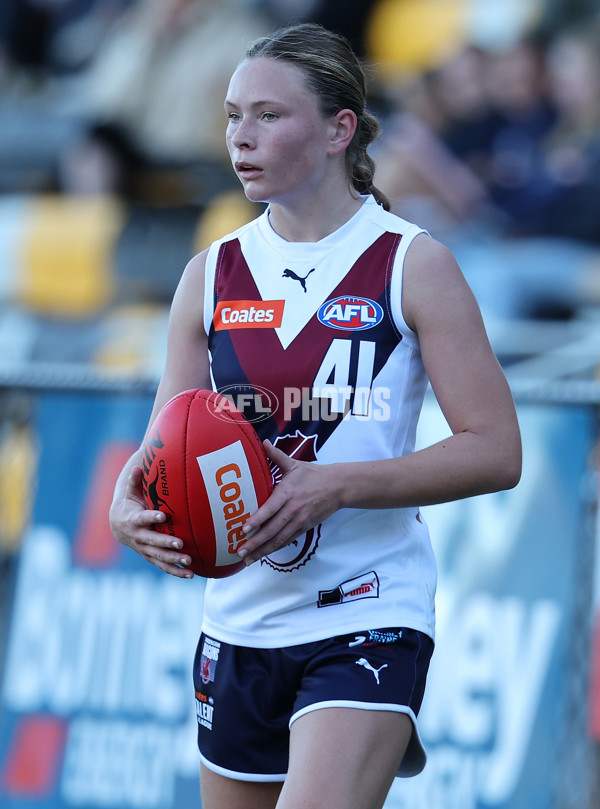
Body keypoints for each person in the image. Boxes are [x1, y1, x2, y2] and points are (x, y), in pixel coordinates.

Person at [109, 22, 522, 809]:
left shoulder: (413, 262)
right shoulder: (211, 273)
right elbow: (163, 445)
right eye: (232, 115)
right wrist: (129, 506)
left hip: (369, 606)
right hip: (239, 620)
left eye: (268, 114)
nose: (240, 136)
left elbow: (497, 451)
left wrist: (333, 485)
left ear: (339, 131)